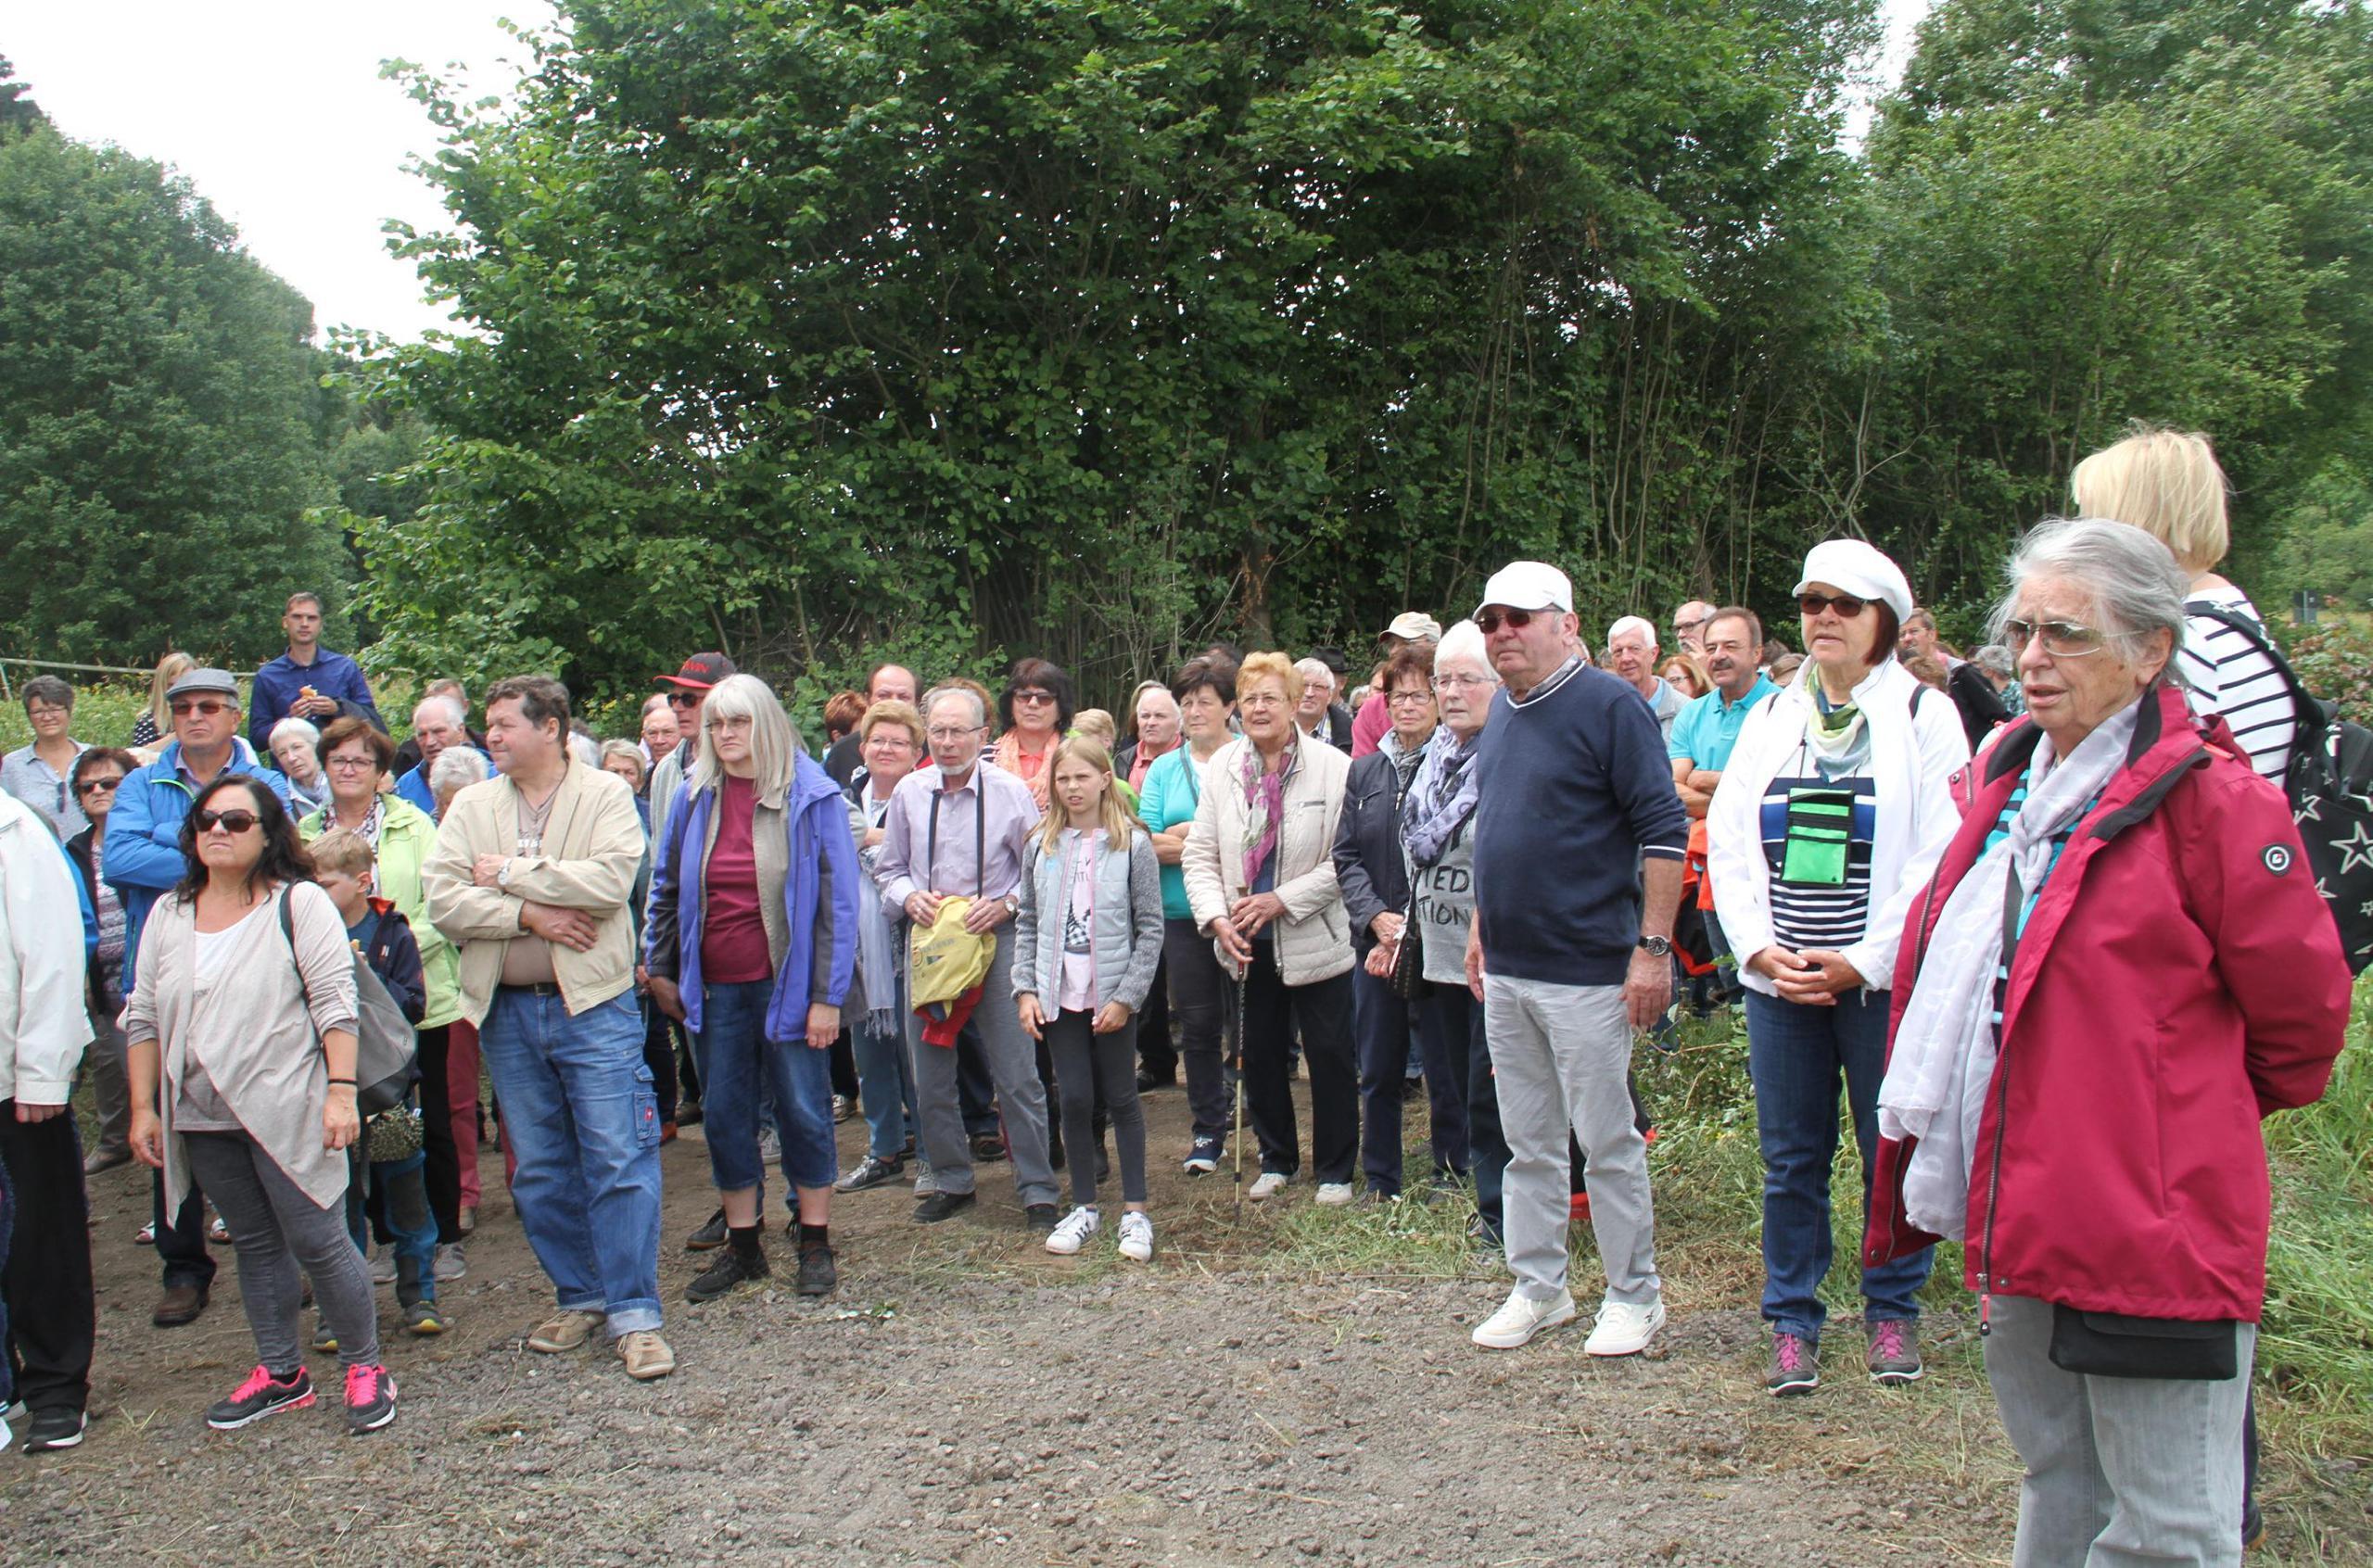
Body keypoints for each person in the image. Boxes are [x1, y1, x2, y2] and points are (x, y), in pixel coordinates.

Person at [1870, 518, 2348, 1564]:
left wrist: (2161, 1113)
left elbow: (2302, 1024)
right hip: (2022, 1201)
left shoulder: (2214, 806)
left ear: (2150, 652)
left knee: (2171, 1522)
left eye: (2067, 635)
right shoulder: (2008, 783)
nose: (2032, 658)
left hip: (2150, 1221)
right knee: (2060, 1483)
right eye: (2022, 631)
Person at [1706, 542, 1967, 1394]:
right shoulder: (1774, 715)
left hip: (1876, 985)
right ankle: (1792, 1317)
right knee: (1792, 1156)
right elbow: (1737, 842)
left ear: (1883, 621)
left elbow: (1941, 855)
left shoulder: (1927, 716)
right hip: (1781, 978)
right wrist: (1753, 947)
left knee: (1886, 1144)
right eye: (1813, 601)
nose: (1823, 617)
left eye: (1844, 605)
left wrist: (1863, 961)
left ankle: (1891, 1310)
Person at [121, 775, 397, 1434]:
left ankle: (366, 1366)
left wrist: (339, 1093)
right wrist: (142, 1107)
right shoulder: (170, 912)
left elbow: (337, 1004)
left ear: (269, 833)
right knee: (253, 1241)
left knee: (319, 1238)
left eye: (237, 822)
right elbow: (144, 1017)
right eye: (207, 819)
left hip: (288, 1102)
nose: (218, 830)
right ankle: (281, 1373)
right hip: (200, 1110)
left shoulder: (298, 904)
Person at [424, 675, 674, 1381]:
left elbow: (610, 881)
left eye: (505, 724)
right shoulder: (472, 803)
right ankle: (581, 1295)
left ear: (552, 728)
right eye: (491, 726)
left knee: (618, 1154)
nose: (491, 736)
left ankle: (635, 1312)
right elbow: (442, 897)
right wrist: (528, 914)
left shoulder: (606, 795)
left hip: (594, 1008)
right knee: (535, 1169)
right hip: (505, 1010)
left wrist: (508, 872)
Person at [1463, 561, 1683, 1357]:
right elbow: (1501, 829)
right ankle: (1540, 1287)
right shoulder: (1504, 716)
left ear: (1568, 623)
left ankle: (1635, 1295)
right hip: (1512, 971)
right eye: (1490, 622)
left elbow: (1664, 829)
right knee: (1530, 1142)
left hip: (1590, 970)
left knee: (1607, 1143)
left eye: (1518, 618)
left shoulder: (1611, 706)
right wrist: (1484, 924)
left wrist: (1652, 950)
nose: (1502, 634)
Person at [643, 675, 856, 1299]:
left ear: (765, 724)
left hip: (787, 984)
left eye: (738, 723)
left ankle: (813, 1238)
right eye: (716, 724)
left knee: (804, 1112)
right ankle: (744, 1246)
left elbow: (838, 908)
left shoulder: (810, 797)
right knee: (726, 1118)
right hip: (712, 987)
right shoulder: (692, 796)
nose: (726, 735)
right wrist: (659, 967)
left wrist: (827, 997)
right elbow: (666, 886)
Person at [105, 666, 294, 1330]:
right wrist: (214, 855)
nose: (193, 716)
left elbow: (279, 861)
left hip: (253, 978)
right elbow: (117, 859)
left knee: (267, 1114)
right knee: (167, 1118)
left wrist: (169, 839)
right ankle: (183, 1266)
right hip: (166, 972)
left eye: (208, 705)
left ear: (235, 715)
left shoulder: (268, 782)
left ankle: (281, 1257)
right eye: (182, 706)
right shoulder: (139, 780)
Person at [875, 684, 1060, 1226]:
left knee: (1015, 1071)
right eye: (938, 731)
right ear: (925, 735)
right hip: (931, 944)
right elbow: (889, 869)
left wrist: (1005, 905)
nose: (949, 742)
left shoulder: (1009, 792)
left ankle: (1038, 1188)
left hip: (995, 943)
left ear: (983, 736)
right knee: (929, 1073)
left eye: (960, 731)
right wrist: (909, 896)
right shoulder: (909, 792)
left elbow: (1040, 870)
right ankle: (953, 1179)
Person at [297, 717, 469, 1282]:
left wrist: (381, 955)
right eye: (338, 760)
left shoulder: (414, 825)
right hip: (324, 1007)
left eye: (361, 761)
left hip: (412, 996)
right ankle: (373, 1242)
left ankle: (442, 1236)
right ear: (324, 767)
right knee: (350, 1123)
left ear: (379, 772)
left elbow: (441, 901)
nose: (348, 770)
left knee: (427, 1121)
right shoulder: (301, 834)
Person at [1183, 651, 1358, 1204]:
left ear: (1294, 703)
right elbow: (1199, 855)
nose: (1260, 708)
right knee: (1256, 1054)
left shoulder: (1335, 767)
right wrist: (1215, 919)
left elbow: (1344, 860)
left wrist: (1281, 900)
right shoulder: (1223, 769)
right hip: (1244, 940)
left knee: (1329, 1055)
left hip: (1316, 937)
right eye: (1251, 697)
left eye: (1271, 698)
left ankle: (1334, 1170)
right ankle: (1276, 1159)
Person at [2073, 425, 2294, 782]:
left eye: (2091, 518)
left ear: (2133, 525)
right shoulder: (2226, 611)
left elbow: (2147, 783)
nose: (2081, 535)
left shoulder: (2187, 639)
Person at [1011, 737, 1162, 1260]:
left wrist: (1127, 996)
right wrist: (1025, 988)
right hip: (1058, 997)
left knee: (1121, 1098)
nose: (1073, 788)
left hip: (1113, 994)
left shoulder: (1132, 845)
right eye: (1063, 779)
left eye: (1082, 777)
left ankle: (1136, 1212)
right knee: (1073, 1098)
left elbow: (1150, 928)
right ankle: (1084, 1207)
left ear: (1105, 778)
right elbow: (1027, 922)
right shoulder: (1040, 845)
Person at [1393, 622, 1510, 1243]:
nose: (1453, 692)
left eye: (1469, 679)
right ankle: (1449, 1166)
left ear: (1498, 683)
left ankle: (1499, 1193)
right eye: (1444, 680)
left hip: (1492, 946)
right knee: (1440, 1065)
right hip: (1433, 939)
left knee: (1488, 1075)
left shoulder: (1508, 753)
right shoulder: (1432, 756)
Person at [1335, 643, 1466, 1200]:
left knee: (1445, 1063)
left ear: (1438, 700)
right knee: (1379, 1064)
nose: (1408, 705)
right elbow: (1345, 857)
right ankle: (1382, 1177)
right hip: (1378, 938)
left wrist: (1410, 922)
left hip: (1438, 935)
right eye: (1397, 695)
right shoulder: (1365, 772)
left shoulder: (1457, 765)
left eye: (1419, 694)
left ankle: (1453, 1170)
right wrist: (1374, 918)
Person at [308, 827, 447, 1337]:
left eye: (323, 884)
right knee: (340, 1207)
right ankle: (340, 1312)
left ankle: (421, 1297)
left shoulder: (393, 932)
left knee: (408, 1200)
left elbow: (415, 1005)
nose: (313, 893)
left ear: (362, 881)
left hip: (388, 1091)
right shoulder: (301, 934)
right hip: (327, 1093)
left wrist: (369, 979)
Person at [0, 784, 99, 1453]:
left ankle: (58, 1387)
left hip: (16, 1078)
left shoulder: (13, 832)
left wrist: (42, 1067)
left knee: (41, 1236)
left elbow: (54, 955)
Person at [1137, 657, 1239, 1167]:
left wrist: (1186, 835)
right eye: (1187, 702)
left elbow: (1255, 838)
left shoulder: (1248, 758)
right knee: (1198, 1024)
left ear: (1229, 706)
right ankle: (1208, 1130)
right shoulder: (1162, 768)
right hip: (1181, 913)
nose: (1194, 711)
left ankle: (1258, 1120)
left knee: (1248, 1022)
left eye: (1205, 701)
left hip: (1243, 911)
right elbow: (1148, 842)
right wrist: (1210, 838)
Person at [838, 700, 926, 1194]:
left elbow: (919, 857)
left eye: (898, 741)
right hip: (854, 947)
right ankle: (884, 1151)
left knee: (917, 1060)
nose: (885, 749)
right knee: (868, 1056)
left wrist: (864, 839)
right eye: (878, 740)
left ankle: (934, 1156)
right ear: (863, 746)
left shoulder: (924, 796)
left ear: (916, 752)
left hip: (907, 942)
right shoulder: (847, 794)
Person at [66, 748, 139, 1175]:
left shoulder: (140, 838)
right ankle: (114, 1143)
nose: (97, 791)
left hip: (144, 974)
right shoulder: (73, 849)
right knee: (108, 1064)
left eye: (108, 783)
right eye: (87, 786)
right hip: (99, 976)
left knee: (142, 1070)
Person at [1669, 609, 1783, 819]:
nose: (1719, 656)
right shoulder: (1691, 712)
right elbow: (1671, 791)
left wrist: (1703, 779)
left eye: (1730, 646)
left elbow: (1776, 789)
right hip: (1703, 847)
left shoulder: (1785, 708)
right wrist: (1738, 799)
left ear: (1756, 653)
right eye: (1711, 648)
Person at [247, 591, 383, 755]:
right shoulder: (268, 676)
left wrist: (338, 709)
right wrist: (288, 721)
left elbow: (372, 721)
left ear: (320, 624)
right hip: (289, 771)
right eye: (297, 617)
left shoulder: (345, 668)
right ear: (285, 622)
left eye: (311, 618)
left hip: (341, 766)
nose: (304, 624)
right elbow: (256, 739)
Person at [650, 652, 738, 852]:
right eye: (674, 699)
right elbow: (658, 855)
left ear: (724, 702)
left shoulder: (742, 765)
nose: (678, 708)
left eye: (689, 699)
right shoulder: (666, 768)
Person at [4, 675, 91, 837]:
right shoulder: (11, 765)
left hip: (92, 857)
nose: (47, 717)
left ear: (69, 711)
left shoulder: (94, 757)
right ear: (29, 716)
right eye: (38, 711)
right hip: (38, 857)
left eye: (55, 709)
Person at [1351, 613, 1442, 757]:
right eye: (1392, 644)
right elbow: (1364, 772)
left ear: (1435, 646)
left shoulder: (1455, 700)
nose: (1394, 650)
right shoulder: (1372, 709)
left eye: (1407, 642)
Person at [991, 658, 1075, 812]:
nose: (1033, 704)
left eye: (1044, 698)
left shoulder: (1078, 755)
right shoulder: (987, 758)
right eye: (1024, 696)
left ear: (1060, 709)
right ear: (1010, 704)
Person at [821, 664, 919, 789]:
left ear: (916, 703)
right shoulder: (843, 752)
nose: (893, 702)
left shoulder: (933, 751)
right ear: (867, 700)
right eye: (884, 695)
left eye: (903, 697)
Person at [393, 694, 477, 816]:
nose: (430, 742)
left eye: (438, 731)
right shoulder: (404, 788)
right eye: (422, 734)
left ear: (460, 731)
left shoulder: (490, 777)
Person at [1606, 617, 1685, 743]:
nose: (1626, 658)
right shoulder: (1602, 712)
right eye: (1618, 651)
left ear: (1653, 653)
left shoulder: (1686, 710)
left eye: (1635, 649)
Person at [1112, 681, 1182, 793]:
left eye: (1160, 716)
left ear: (1179, 722)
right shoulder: (1122, 761)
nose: (1151, 722)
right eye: (1145, 716)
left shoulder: (1194, 760)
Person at [128, 651, 197, 748]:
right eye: (172, 685)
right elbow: (138, 758)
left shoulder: (209, 714)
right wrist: (179, 734)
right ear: (161, 687)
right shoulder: (149, 721)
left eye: (187, 685)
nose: (181, 691)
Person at [269, 718, 331, 814]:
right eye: (282, 753)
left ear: (316, 746)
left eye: (297, 747)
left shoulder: (341, 784)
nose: (291, 758)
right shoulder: (282, 801)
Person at [1294, 659, 1354, 752]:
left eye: (1318, 687)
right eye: (1303, 685)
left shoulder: (1349, 733)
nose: (1309, 693)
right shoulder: (1273, 726)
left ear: (1330, 695)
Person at [636, 695, 679, 786]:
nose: (659, 741)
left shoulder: (692, 776)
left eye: (668, 732)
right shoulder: (638, 779)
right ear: (643, 737)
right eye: (652, 733)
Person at [1971, 644, 2024, 716]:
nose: (1976, 674)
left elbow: (2023, 725)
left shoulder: (2019, 693)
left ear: (1989, 672)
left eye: (1979, 669)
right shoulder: (1989, 695)